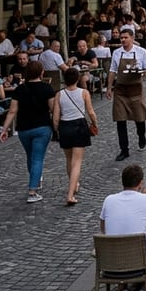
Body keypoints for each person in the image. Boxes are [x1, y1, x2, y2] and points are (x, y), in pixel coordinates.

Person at [101, 163, 146, 291]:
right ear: (140, 183)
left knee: (119, 247)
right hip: (139, 264)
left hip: (110, 264)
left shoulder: (108, 200)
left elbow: (104, 229)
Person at [0, 61, 56, 203]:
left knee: (30, 156)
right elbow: (54, 109)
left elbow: (12, 111)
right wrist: (57, 125)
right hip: (42, 127)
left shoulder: (19, 90)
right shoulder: (47, 88)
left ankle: (36, 181)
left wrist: (4, 129)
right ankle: (32, 191)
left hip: (24, 129)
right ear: (41, 72)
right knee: (37, 158)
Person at [107, 29, 146, 162]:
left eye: (125, 37)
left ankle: (141, 135)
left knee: (140, 117)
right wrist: (109, 87)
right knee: (120, 120)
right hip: (120, 90)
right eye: (121, 38)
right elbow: (112, 71)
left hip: (135, 89)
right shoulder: (117, 53)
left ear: (132, 38)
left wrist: (141, 73)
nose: (123, 40)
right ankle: (124, 150)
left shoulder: (141, 52)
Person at [55, 68, 96, 206]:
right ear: (77, 79)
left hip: (65, 126)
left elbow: (55, 117)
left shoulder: (59, 94)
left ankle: (74, 184)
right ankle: (70, 194)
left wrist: (57, 129)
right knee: (77, 162)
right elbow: (90, 112)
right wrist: (95, 124)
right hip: (79, 126)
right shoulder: (84, 93)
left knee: (68, 159)